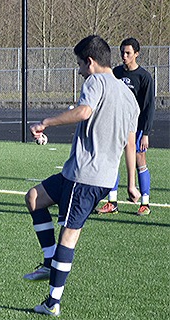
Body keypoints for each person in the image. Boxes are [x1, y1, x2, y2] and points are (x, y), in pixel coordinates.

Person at [23, 35, 140, 316]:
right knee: (34, 198)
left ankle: (52, 302)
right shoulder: (128, 96)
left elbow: (84, 111)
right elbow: (130, 142)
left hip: (85, 176)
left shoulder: (95, 82)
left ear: (90, 62)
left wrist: (45, 123)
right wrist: (132, 183)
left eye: (79, 65)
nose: (79, 71)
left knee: (69, 235)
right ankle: (49, 261)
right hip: (87, 175)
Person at [96, 37, 155, 216]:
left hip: (135, 128)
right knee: (113, 160)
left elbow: (149, 107)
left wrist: (145, 133)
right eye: (122, 52)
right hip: (117, 125)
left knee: (139, 160)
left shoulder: (144, 77)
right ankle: (112, 202)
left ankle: (145, 203)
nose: (124, 55)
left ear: (136, 54)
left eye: (128, 53)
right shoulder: (116, 73)